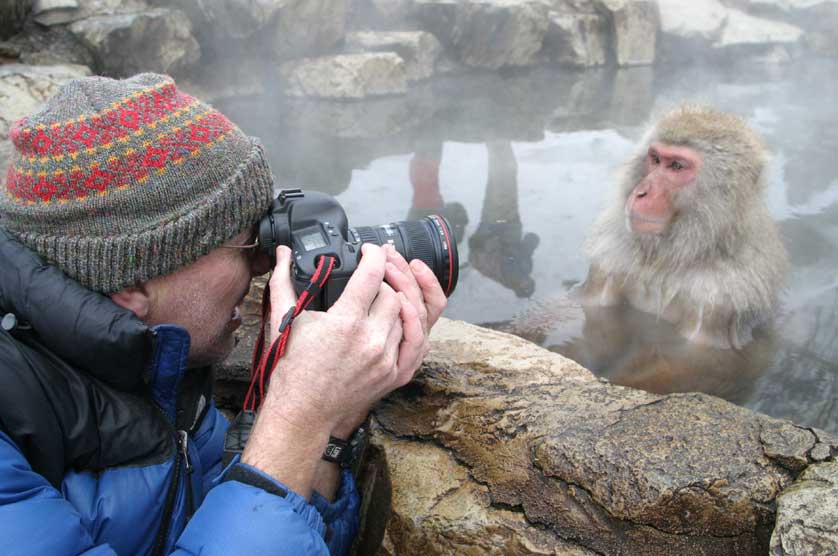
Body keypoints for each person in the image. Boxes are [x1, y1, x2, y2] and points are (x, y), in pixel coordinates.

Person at [0, 73, 447, 555]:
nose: (266, 264)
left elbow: (274, 532)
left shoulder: (163, 374)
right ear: (131, 282)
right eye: (247, 242)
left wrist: (334, 416)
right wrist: (295, 415)